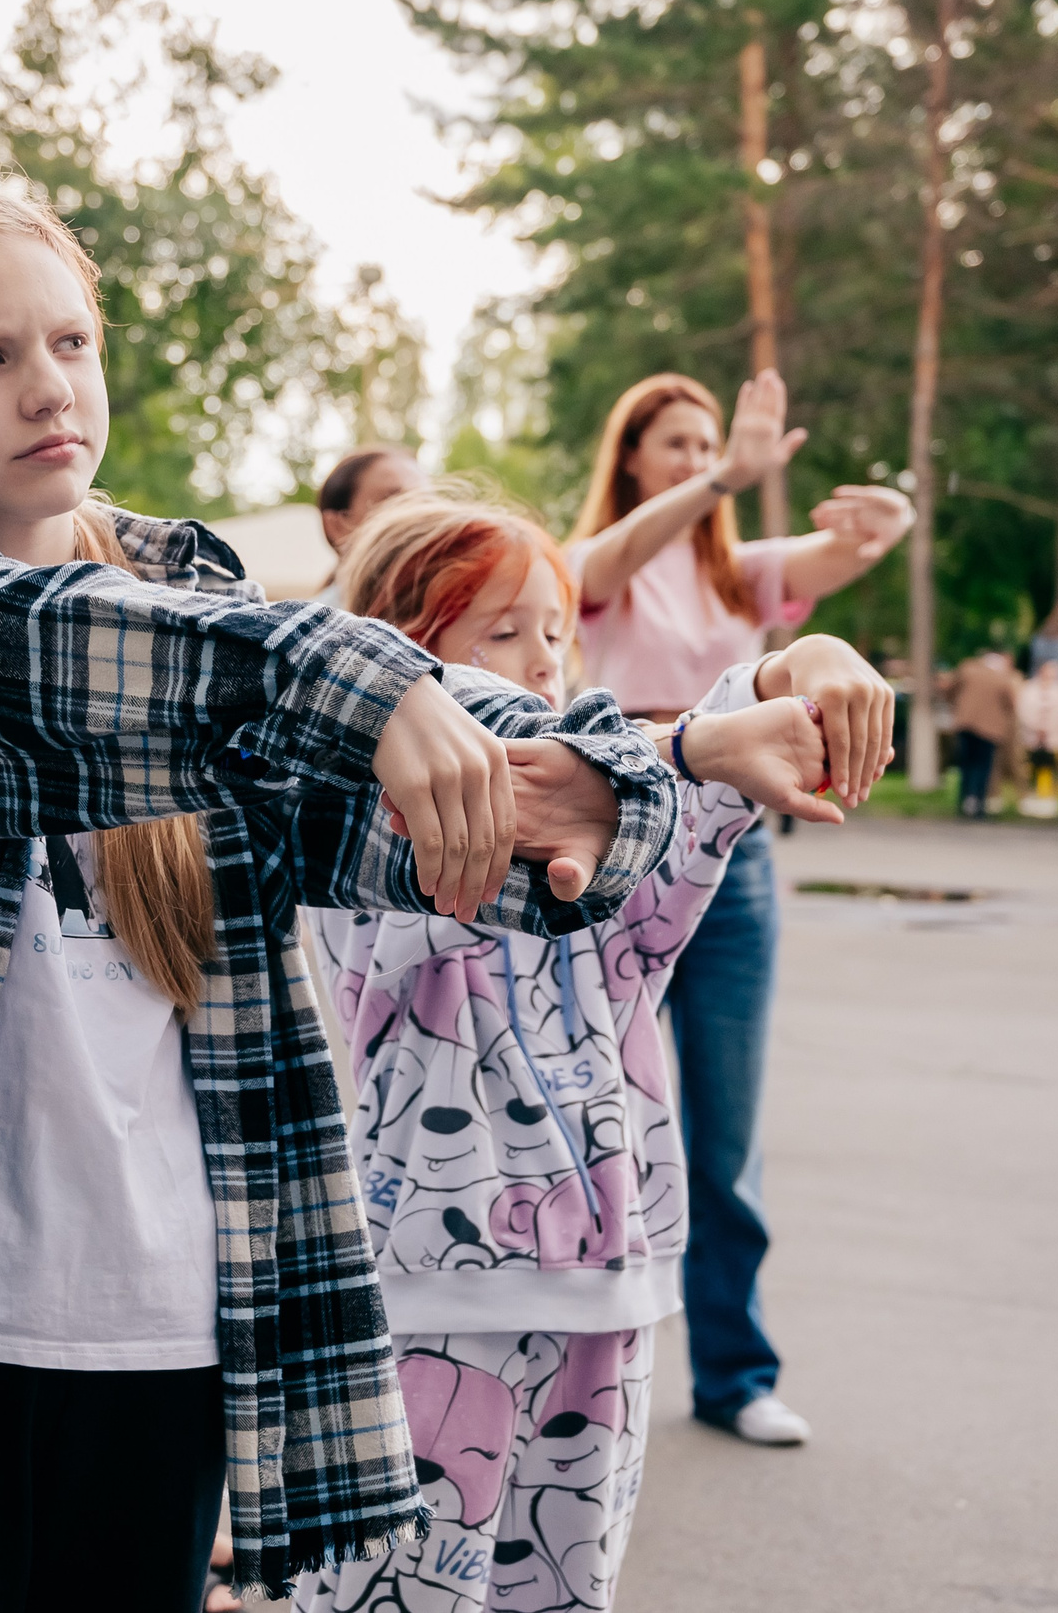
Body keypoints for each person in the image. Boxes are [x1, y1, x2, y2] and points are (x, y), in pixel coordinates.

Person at [0, 189, 678, 1610]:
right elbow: (32, 649)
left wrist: (671, 753)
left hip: (165, 1339)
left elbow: (379, 814)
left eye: (73, 340)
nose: (50, 386)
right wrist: (371, 681)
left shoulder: (186, 588)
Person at [293, 491, 892, 1613]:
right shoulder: (353, 814)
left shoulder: (615, 818)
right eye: (498, 630)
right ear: (401, 659)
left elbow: (689, 801)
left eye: (556, 629)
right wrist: (691, 739)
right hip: (425, 1296)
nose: (540, 663)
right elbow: (566, 771)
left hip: (608, 1293)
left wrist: (792, 665)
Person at [564, 368, 911, 1448]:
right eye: (674, 443)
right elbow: (594, 566)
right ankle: (564, 1369)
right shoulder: (592, 565)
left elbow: (834, 559)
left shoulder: (735, 571)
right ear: (630, 457)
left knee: (723, 1136)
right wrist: (723, 475)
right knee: (587, 1120)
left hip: (733, 858)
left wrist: (885, 522)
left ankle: (734, 1373)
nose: (698, 459)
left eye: (707, 442)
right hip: (608, 848)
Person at [311, 443, 426, 601]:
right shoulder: (312, 623)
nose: (422, 514)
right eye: (397, 500)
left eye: (426, 501)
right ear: (337, 526)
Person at [943, 649, 1020, 817]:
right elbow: (1011, 704)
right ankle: (978, 804)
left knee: (966, 764)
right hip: (990, 729)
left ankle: (964, 801)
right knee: (983, 767)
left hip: (965, 724)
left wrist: (956, 706)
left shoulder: (967, 669)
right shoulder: (1002, 678)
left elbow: (950, 690)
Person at [1016, 655, 1058, 813]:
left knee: (1051, 766)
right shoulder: (1029, 688)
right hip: (1031, 735)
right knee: (1029, 766)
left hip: (1053, 736)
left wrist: (1048, 728)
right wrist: (1036, 727)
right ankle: (1027, 797)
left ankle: (1049, 798)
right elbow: (1024, 710)